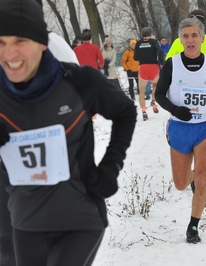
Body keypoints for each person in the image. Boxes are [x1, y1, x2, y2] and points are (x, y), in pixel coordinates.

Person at [0, 1, 136, 265]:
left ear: (42, 42)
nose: (10, 53)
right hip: (26, 222)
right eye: (1, 42)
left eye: (20, 41)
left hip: (80, 217)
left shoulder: (79, 81)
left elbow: (125, 112)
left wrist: (111, 166)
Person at [155, 17, 206, 244]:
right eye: (185, 36)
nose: (190, 40)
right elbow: (159, 95)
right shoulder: (172, 63)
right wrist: (175, 109)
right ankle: (192, 176)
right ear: (180, 39)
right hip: (179, 127)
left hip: (205, 127)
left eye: (194, 35)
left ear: (202, 38)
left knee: (202, 177)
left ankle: (193, 226)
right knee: (180, 184)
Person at [167, 9, 206, 165]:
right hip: (185, 90)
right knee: (194, 124)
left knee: (203, 120)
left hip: (203, 90)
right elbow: (169, 63)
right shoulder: (181, 42)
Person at [134, 27, 165, 121]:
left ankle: (144, 112)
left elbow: (135, 57)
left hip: (143, 67)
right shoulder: (154, 41)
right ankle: (153, 101)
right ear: (150, 34)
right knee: (155, 85)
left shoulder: (138, 43)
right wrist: (161, 62)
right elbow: (160, 51)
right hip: (154, 67)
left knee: (142, 92)